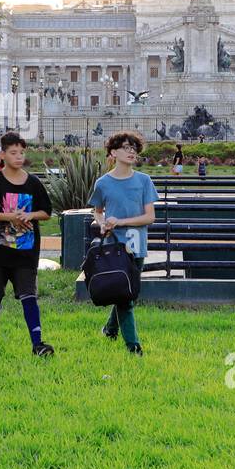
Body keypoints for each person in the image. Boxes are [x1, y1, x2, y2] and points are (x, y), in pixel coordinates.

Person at [0, 132, 55, 356]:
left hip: (26, 252)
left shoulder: (33, 182)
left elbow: (46, 212)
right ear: (2, 154)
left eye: (22, 152)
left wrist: (30, 216)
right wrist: (8, 216)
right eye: (13, 153)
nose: (19, 157)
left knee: (29, 296)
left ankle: (37, 343)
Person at [88, 131, 159, 354]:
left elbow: (150, 217)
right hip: (114, 247)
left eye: (133, 149)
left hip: (137, 244)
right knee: (125, 298)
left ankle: (110, 329)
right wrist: (102, 223)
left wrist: (120, 222)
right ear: (113, 152)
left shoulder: (144, 181)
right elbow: (97, 212)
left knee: (127, 292)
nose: (131, 152)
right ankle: (133, 345)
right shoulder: (103, 183)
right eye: (126, 148)